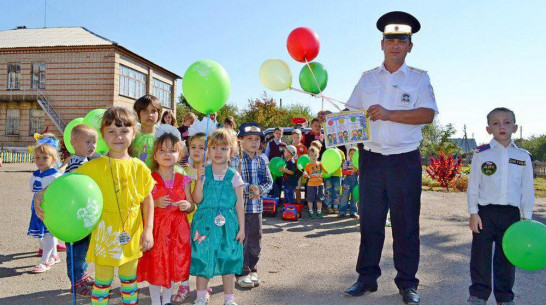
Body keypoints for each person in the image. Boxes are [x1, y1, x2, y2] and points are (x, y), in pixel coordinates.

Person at [343, 11, 438, 305]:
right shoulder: (367, 79)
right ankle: (366, 278)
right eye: (390, 39)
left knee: (406, 224)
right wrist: (331, 119)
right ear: (381, 44)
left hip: (404, 160)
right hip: (371, 158)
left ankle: (407, 283)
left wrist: (388, 113)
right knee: (370, 221)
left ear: (410, 46)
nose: (395, 44)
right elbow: (350, 113)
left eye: (402, 40)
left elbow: (427, 114)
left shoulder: (420, 79)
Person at [37, 107, 155, 304]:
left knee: (129, 282)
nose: (118, 136)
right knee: (102, 283)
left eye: (124, 131)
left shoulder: (140, 167)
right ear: (103, 136)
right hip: (104, 235)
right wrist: (41, 193)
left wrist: (149, 229)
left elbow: (148, 199)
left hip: (133, 233)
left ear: (134, 134)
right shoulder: (92, 167)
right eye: (111, 131)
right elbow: (65, 182)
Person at [466, 108, 534, 305]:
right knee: (480, 256)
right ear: (488, 129)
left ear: (515, 127)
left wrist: (526, 218)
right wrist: (473, 212)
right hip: (485, 213)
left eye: (506, 122)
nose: (501, 126)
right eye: (495, 123)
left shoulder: (522, 156)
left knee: (506, 257)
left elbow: (527, 189)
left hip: (511, 214)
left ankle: (504, 297)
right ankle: (478, 294)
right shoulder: (481, 154)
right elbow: (473, 186)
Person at [137, 125, 194, 305]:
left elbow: (192, 205)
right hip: (157, 230)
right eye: (162, 150)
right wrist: (154, 203)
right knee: (156, 266)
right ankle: (155, 301)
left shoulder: (184, 179)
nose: (167, 154)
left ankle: (167, 300)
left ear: (180, 155)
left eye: (172, 150)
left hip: (177, 231)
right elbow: (140, 204)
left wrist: (187, 205)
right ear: (155, 156)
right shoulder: (149, 178)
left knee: (170, 265)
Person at [190, 129, 245, 305]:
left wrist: (242, 229)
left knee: (228, 258)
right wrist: (199, 180)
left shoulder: (234, 176)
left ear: (232, 152)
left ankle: (229, 299)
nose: (218, 152)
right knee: (202, 257)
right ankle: (200, 296)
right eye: (214, 147)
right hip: (205, 223)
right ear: (208, 150)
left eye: (223, 148)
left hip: (228, 224)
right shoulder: (203, 172)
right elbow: (197, 199)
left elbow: (239, 204)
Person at [231, 123, 273, 289]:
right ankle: (241, 272)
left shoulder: (262, 160)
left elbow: (269, 181)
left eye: (257, 139)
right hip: (240, 209)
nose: (254, 142)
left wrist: (260, 189)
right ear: (240, 140)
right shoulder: (236, 161)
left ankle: (253, 269)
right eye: (249, 139)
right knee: (242, 239)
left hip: (256, 208)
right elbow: (234, 181)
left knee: (255, 239)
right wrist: (249, 188)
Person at [173, 131, 212, 303]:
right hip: (185, 220)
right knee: (183, 253)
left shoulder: (212, 171)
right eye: (193, 147)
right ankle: (184, 285)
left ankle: (204, 287)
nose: (196, 151)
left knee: (203, 254)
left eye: (202, 148)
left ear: (209, 151)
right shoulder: (183, 171)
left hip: (205, 221)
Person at [64, 124, 99, 295]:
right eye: (88, 142)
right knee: (76, 249)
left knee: (84, 247)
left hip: (84, 213)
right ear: (74, 143)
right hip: (75, 215)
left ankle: (82, 275)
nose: (92, 146)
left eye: (94, 142)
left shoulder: (86, 162)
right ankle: (76, 281)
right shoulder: (76, 164)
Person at [28, 137, 62, 273]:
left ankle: (45, 261)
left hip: (50, 209)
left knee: (49, 234)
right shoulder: (36, 174)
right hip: (38, 208)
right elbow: (33, 190)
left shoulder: (56, 176)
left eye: (44, 158)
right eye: (37, 158)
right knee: (46, 234)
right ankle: (54, 255)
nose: (40, 161)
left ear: (53, 160)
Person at [131, 94, 162, 168]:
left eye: (153, 111)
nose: (150, 115)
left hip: (154, 178)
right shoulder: (132, 135)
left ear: (159, 114)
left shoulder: (161, 138)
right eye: (145, 111)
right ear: (138, 114)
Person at [303, 147, 326, 219]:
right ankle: (310, 211)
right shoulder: (307, 165)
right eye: (312, 155)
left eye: (315, 155)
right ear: (309, 156)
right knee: (310, 199)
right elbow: (305, 173)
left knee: (320, 199)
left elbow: (325, 172)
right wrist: (305, 174)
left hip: (320, 184)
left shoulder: (320, 164)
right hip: (311, 185)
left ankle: (319, 211)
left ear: (318, 155)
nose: (313, 157)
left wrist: (323, 174)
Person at [339, 147, 359, 218]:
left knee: (354, 197)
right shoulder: (346, 162)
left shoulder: (358, 163)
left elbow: (359, 173)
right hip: (347, 181)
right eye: (351, 153)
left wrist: (357, 170)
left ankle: (353, 212)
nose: (352, 155)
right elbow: (343, 171)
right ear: (348, 154)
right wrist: (350, 172)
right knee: (344, 196)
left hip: (355, 181)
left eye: (354, 154)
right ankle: (342, 212)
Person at [265, 127, 285, 198]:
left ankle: (278, 198)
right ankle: (271, 197)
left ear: (282, 135)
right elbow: (267, 154)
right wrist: (267, 165)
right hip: (271, 167)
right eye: (277, 133)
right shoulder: (270, 143)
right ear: (273, 134)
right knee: (271, 182)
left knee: (279, 182)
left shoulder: (284, 145)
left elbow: (285, 156)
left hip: (280, 168)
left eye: (280, 134)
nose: (278, 135)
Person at [324, 147, 345, 213]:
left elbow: (343, 162)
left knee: (337, 191)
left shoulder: (340, 152)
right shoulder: (327, 151)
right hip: (328, 173)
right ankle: (329, 206)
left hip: (337, 174)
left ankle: (336, 206)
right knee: (328, 190)